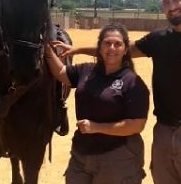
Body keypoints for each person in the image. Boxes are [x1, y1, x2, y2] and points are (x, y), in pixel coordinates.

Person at [59, 0, 181, 184]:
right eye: (165, 2)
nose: (171, 7)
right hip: (164, 131)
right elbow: (117, 52)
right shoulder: (159, 39)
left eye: (176, 0)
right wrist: (79, 49)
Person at [45, 23, 149, 184]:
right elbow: (60, 72)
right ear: (99, 47)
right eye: (107, 43)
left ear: (125, 49)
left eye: (118, 44)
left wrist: (96, 127)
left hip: (117, 159)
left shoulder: (133, 82)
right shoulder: (86, 70)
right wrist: (45, 47)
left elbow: (136, 125)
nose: (112, 48)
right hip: (81, 154)